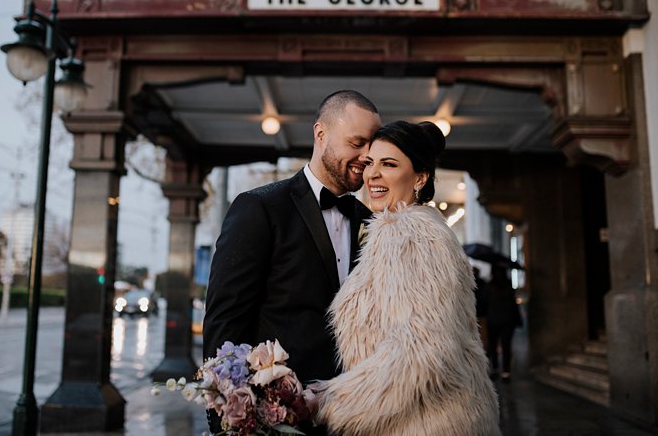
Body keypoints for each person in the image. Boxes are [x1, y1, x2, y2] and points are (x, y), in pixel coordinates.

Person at [203, 90, 381, 433]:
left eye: (371, 147)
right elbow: (224, 323)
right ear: (321, 134)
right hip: (276, 421)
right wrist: (230, 420)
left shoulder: (370, 221)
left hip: (351, 418)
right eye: (357, 143)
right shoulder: (260, 208)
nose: (366, 157)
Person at [311, 121, 500, 436]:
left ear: (420, 176)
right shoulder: (394, 231)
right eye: (370, 163)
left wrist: (327, 400)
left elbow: (422, 351)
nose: (373, 174)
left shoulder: (414, 233)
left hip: (428, 423)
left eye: (389, 164)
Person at [485, 265, 523, 382]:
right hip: (507, 320)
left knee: (493, 345)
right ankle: (506, 372)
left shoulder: (489, 286)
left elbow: (483, 302)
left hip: (493, 320)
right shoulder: (508, 286)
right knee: (506, 346)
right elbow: (513, 304)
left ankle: (495, 369)